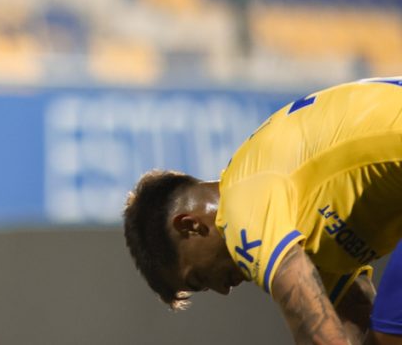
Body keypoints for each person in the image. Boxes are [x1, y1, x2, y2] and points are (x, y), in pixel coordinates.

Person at [124, 77, 402, 345]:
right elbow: (356, 316)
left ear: (190, 225)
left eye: (198, 279)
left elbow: (319, 335)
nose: (223, 290)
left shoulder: (242, 210)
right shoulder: (290, 210)